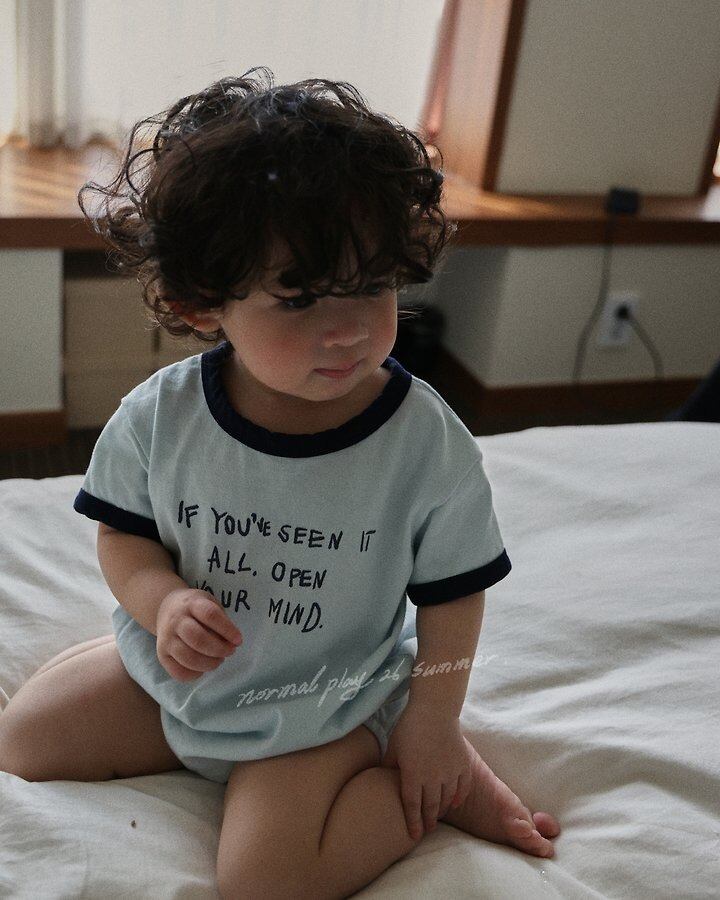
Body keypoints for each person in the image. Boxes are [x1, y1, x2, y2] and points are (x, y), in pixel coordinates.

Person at [1, 68, 560, 897]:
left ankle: (424, 776)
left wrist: (435, 724)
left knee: (262, 884)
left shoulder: (423, 444)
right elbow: (124, 536)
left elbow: (453, 598)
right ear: (202, 303)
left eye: (371, 286)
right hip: (182, 684)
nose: (347, 330)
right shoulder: (161, 417)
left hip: (322, 707)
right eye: (299, 299)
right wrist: (162, 605)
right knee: (21, 744)